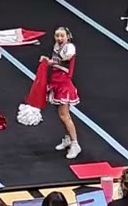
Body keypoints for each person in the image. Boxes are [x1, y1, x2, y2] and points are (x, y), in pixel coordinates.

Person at [42, 27, 81, 159]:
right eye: (57, 36)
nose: (59, 38)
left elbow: (66, 58)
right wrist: (47, 61)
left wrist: (50, 61)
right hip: (56, 81)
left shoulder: (69, 47)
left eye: (62, 36)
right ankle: (68, 138)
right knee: (61, 115)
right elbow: (54, 62)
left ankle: (75, 144)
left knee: (64, 115)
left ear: (67, 37)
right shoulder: (57, 46)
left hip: (64, 83)